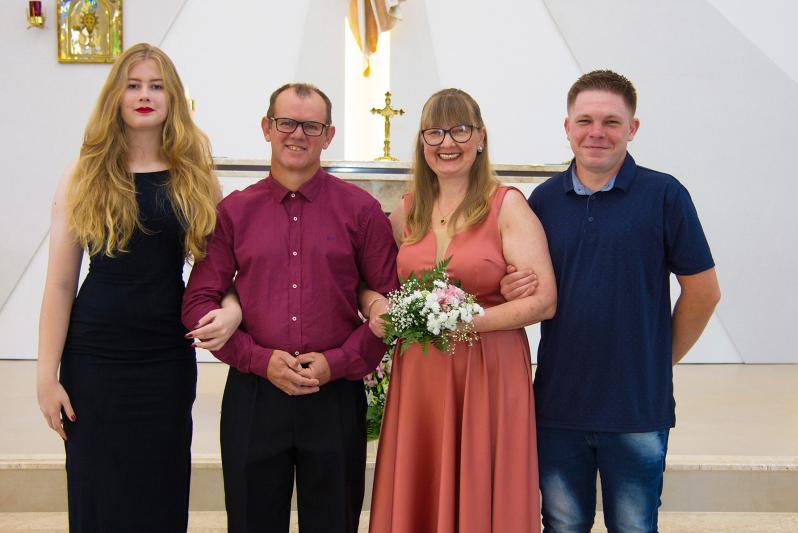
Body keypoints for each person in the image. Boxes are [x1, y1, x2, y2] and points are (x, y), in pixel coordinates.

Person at [502, 70, 722, 532]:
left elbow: (703, 291)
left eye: (611, 122)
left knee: (634, 527)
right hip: (560, 404)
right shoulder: (542, 202)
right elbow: (527, 284)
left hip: (637, 407)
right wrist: (512, 286)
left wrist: (659, 361)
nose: (596, 132)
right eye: (584, 120)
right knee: (562, 525)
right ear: (567, 128)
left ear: (632, 128)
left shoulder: (664, 195)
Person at [36, 43, 242, 532]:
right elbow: (61, 283)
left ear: (173, 98)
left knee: (160, 486)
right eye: (133, 85)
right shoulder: (84, 173)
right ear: (116, 96)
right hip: (95, 358)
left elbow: (223, 268)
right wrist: (46, 376)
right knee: (97, 486)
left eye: (156, 86)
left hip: (164, 357)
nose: (144, 95)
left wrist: (230, 308)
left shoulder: (194, 175)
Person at [181, 82, 398, 533]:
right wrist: (260, 361)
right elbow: (198, 304)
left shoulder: (361, 211)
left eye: (311, 125)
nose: (297, 134)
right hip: (255, 394)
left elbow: (389, 305)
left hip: (334, 396)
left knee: (334, 523)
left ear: (328, 134)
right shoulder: (233, 213)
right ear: (267, 127)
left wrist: (336, 364)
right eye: (287, 123)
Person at [364, 88, 557, 533]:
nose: (447, 143)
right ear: (422, 142)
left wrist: (466, 322)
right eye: (434, 132)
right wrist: (381, 308)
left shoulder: (506, 204)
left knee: (483, 483)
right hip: (421, 373)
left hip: (489, 368)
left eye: (460, 130)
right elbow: (379, 286)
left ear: (481, 138)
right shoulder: (407, 211)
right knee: (421, 479)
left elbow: (544, 300)